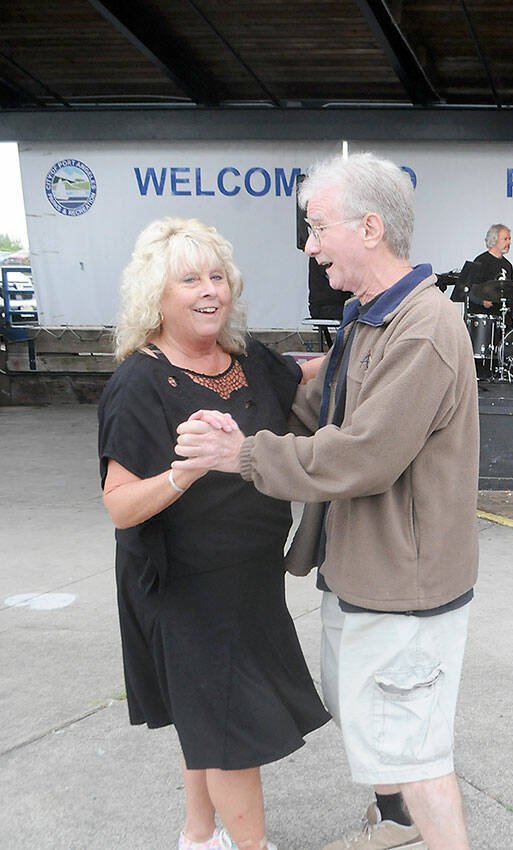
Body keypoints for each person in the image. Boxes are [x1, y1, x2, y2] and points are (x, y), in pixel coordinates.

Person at [173, 152, 480, 850]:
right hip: (360, 574)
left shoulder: (425, 330)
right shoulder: (367, 319)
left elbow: (362, 455)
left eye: (317, 228)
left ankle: (427, 827)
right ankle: (397, 821)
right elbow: (312, 409)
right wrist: (228, 408)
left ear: (369, 228)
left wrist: (241, 454)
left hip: (406, 587)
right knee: (368, 719)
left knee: (413, 750)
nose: (309, 246)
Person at [98, 218, 328, 850]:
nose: (209, 291)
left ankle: (199, 838)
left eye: (217, 276)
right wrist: (183, 474)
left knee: (209, 718)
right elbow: (119, 506)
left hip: (248, 577)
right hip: (185, 587)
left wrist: (373, 344)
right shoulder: (139, 383)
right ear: (156, 296)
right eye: (189, 279)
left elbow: (301, 376)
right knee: (231, 729)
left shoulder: (246, 358)